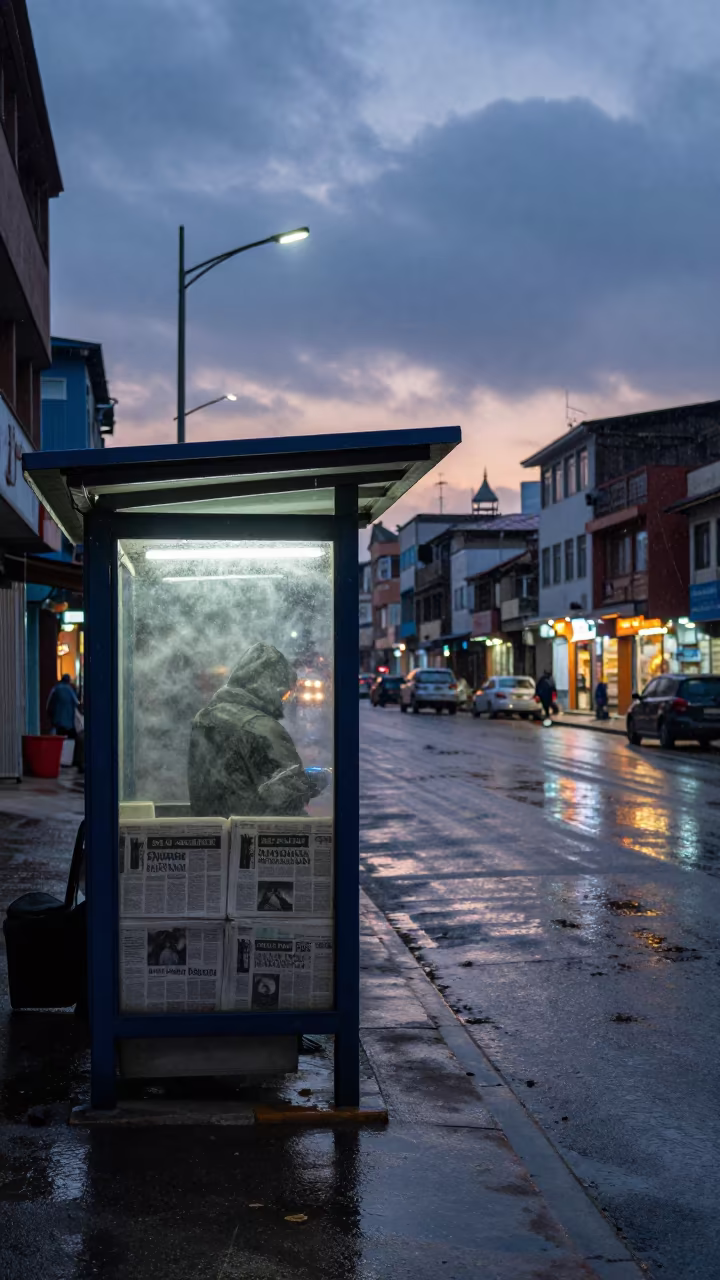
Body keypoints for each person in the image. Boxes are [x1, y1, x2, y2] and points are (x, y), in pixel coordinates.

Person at [188, 642, 327, 818]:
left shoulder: (205, 717)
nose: (284, 701)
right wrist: (309, 783)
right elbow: (286, 801)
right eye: (284, 693)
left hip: (211, 833)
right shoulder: (263, 729)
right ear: (270, 686)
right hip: (255, 833)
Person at [46, 674, 79, 739]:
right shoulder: (70, 690)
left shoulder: (55, 689)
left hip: (58, 722)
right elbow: (76, 702)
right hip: (69, 724)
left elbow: (49, 705)